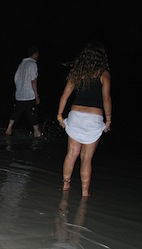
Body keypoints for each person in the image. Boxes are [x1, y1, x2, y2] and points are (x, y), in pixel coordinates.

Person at [56, 41, 112, 197]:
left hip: (76, 116)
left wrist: (60, 115)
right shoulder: (104, 73)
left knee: (71, 153)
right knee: (86, 158)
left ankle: (66, 185)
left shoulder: (76, 73)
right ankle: (85, 192)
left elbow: (64, 96)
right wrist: (108, 120)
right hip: (94, 118)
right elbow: (106, 99)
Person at [5, 46, 41, 137]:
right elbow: (33, 80)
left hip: (19, 94)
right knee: (33, 114)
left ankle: (9, 128)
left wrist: (19, 89)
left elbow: (16, 78)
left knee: (16, 112)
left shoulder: (22, 64)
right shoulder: (32, 64)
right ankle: (37, 133)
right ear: (35, 54)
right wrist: (36, 95)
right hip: (29, 94)